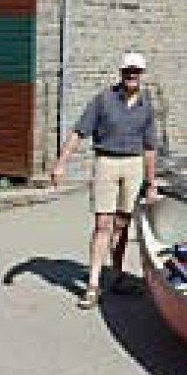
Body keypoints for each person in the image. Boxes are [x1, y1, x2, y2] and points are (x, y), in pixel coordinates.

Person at [50, 51, 160, 310]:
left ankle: (117, 275)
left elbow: (150, 147)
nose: (132, 75)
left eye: (136, 71)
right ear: (121, 73)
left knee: (122, 224)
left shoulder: (146, 105)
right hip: (106, 163)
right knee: (103, 224)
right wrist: (61, 163)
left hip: (133, 166)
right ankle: (92, 284)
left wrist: (152, 182)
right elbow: (79, 132)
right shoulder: (103, 100)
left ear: (141, 75)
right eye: (128, 71)